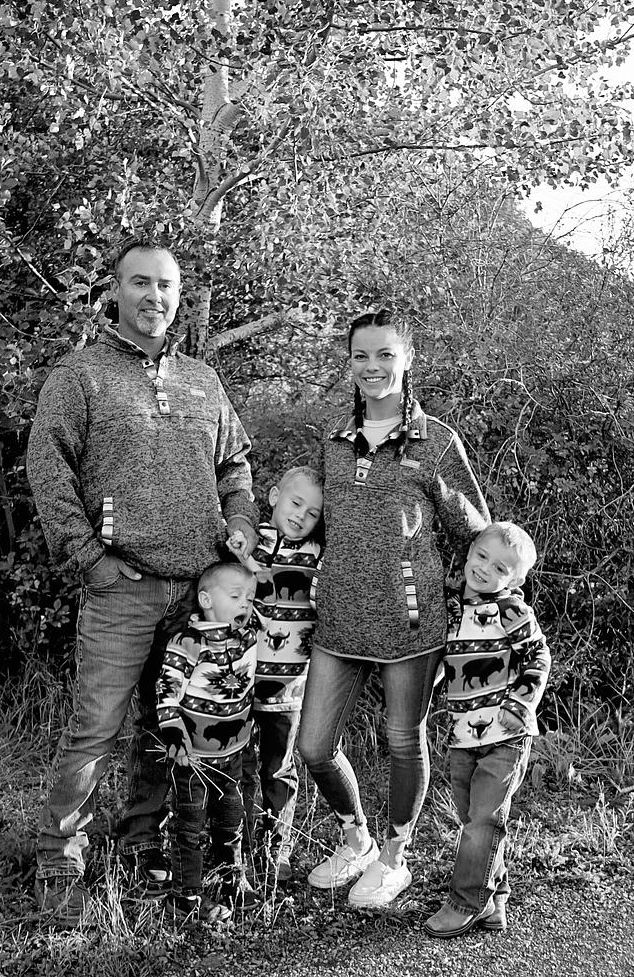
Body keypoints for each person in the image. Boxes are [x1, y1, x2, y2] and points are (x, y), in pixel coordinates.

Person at [25, 238, 258, 927]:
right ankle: (58, 861)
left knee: (167, 723)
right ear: (114, 292)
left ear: (179, 295)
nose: (154, 296)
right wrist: (88, 557)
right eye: (140, 283)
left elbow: (235, 466)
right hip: (120, 587)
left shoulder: (203, 380)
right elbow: (47, 466)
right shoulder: (80, 375)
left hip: (198, 594)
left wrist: (240, 521)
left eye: (165, 285)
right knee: (94, 728)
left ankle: (141, 842)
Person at [297, 310, 490, 909]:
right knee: (314, 746)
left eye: (385, 355)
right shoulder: (332, 441)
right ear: (349, 362)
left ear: (406, 360)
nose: (372, 367)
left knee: (403, 739)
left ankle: (394, 857)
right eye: (361, 355)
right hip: (339, 618)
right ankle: (356, 837)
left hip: (411, 623)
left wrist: (480, 601)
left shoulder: (437, 442)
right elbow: (312, 522)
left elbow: (474, 532)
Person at [425, 521, 550, 937]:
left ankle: (465, 902)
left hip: (506, 734)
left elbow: (538, 656)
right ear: (469, 552)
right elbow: (446, 661)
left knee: (483, 819)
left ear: (515, 581)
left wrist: (521, 703)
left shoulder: (511, 611)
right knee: (473, 819)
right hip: (463, 734)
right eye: (481, 556)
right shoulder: (451, 608)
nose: (484, 569)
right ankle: (495, 898)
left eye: (500, 568)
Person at [155, 562, 262, 923]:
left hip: (233, 755)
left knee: (231, 819)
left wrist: (247, 563)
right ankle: (186, 895)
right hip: (193, 760)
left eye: (250, 598)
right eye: (235, 596)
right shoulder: (188, 643)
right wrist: (173, 733)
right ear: (206, 600)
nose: (245, 604)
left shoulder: (247, 637)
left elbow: (264, 610)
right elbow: (167, 691)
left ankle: (233, 881)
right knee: (190, 826)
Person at [234, 465, 324, 884]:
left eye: (312, 512)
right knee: (237, 763)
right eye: (295, 502)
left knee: (278, 767)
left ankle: (274, 848)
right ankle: (232, 842)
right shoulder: (249, 543)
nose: (300, 515)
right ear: (273, 497)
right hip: (237, 681)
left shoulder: (318, 555)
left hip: (288, 685)